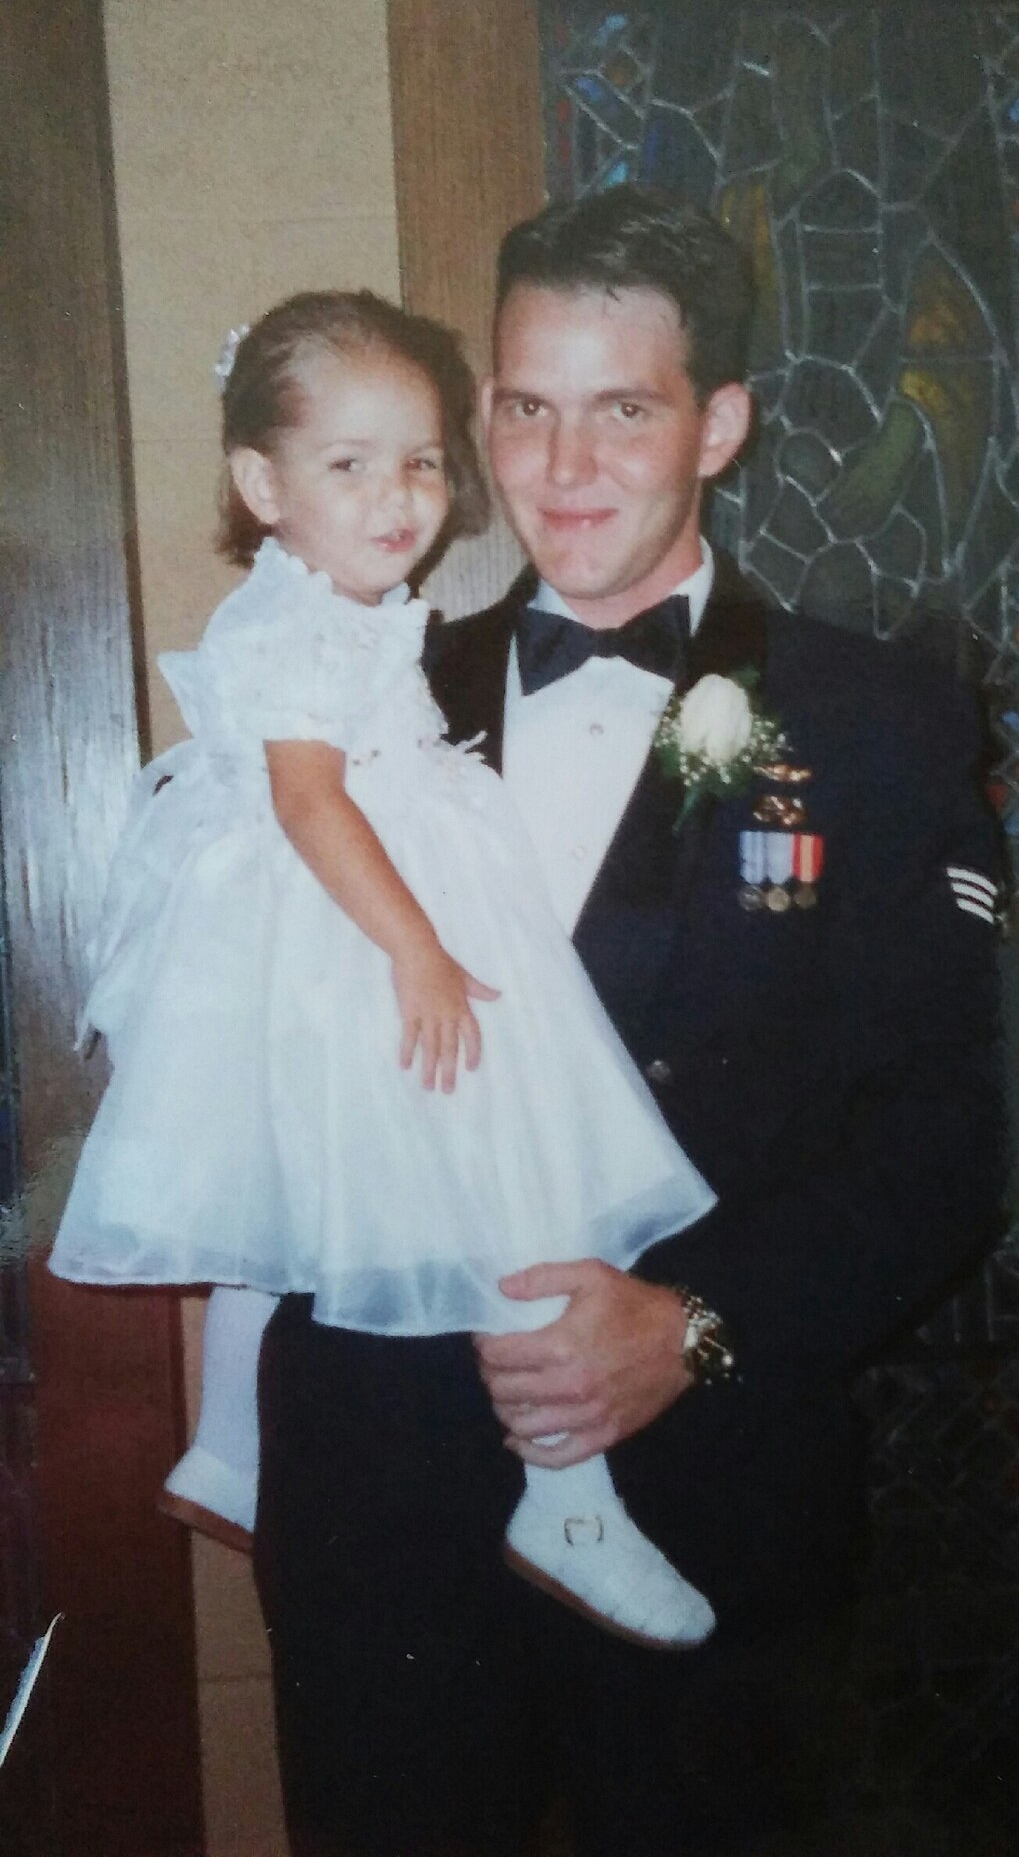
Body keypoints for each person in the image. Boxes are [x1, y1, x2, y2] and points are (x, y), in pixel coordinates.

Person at [252, 187, 1006, 1857]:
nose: (563, 467)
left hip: (706, 1487)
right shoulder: (361, 695)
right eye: (524, 407)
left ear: (717, 424)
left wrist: (697, 1326)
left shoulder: (870, 718)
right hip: (385, 1495)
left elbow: (946, 1146)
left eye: (622, 408)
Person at [49, 286, 735, 1649]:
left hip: (342, 920)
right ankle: (566, 1488)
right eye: (349, 464)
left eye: (420, 459)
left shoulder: (347, 607)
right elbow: (312, 801)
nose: (400, 496)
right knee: (505, 1162)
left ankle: (233, 1450)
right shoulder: (297, 619)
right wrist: (420, 950)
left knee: (304, 1195)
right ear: (259, 480)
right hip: (351, 930)